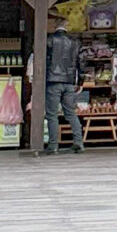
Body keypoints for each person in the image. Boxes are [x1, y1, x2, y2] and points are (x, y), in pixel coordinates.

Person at [42, 21, 84, 154]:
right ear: (66, 28)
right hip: (69, 81)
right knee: (71, 113)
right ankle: (78, 142)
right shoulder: (75, 42)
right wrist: (80, 81)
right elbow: (81, 62)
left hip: (53, 80)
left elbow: (43, 60)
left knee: (52, 114)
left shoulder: (49, 40)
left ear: (55, 27)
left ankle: (53, 145)